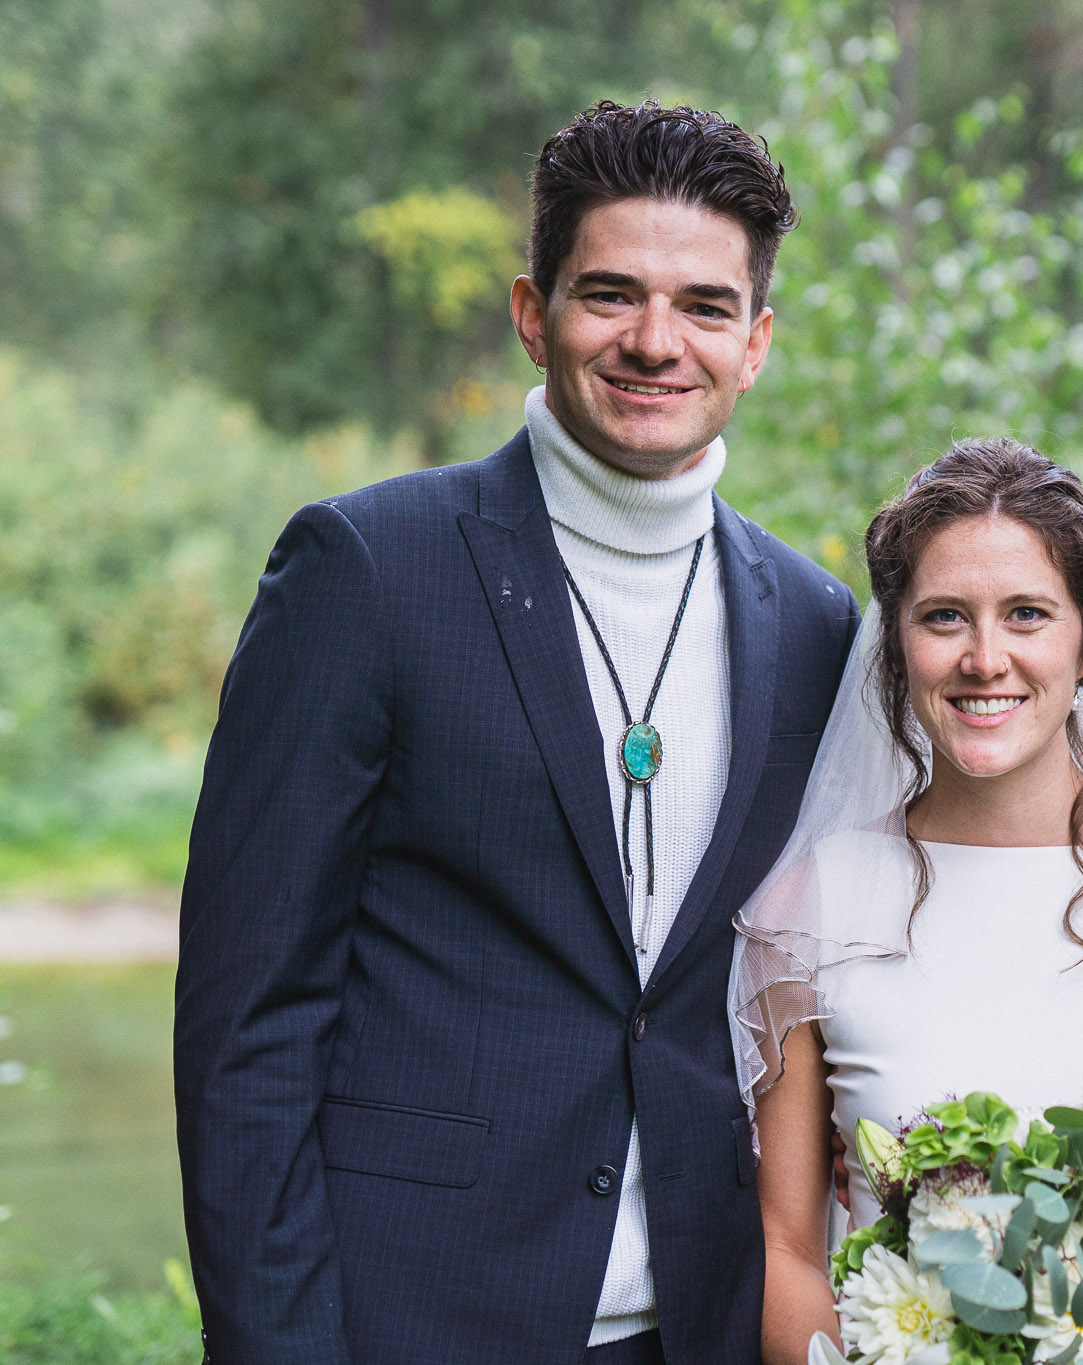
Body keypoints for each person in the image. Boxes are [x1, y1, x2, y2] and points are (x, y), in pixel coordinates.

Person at [174, 100, 858, 1365]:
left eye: (704, 307)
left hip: (705, 1323)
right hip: (411, 1319)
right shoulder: (364, 570)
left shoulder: (817, 625)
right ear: (532, 314)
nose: (656, 341)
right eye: (610, 295)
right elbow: (247, 1022)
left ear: (755, 343)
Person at [730, 438, 1083, 1364]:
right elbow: (786, 1246)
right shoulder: (811, 902)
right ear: (897, 641)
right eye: (944, 617)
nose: (984, 658)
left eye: (1026, 614)